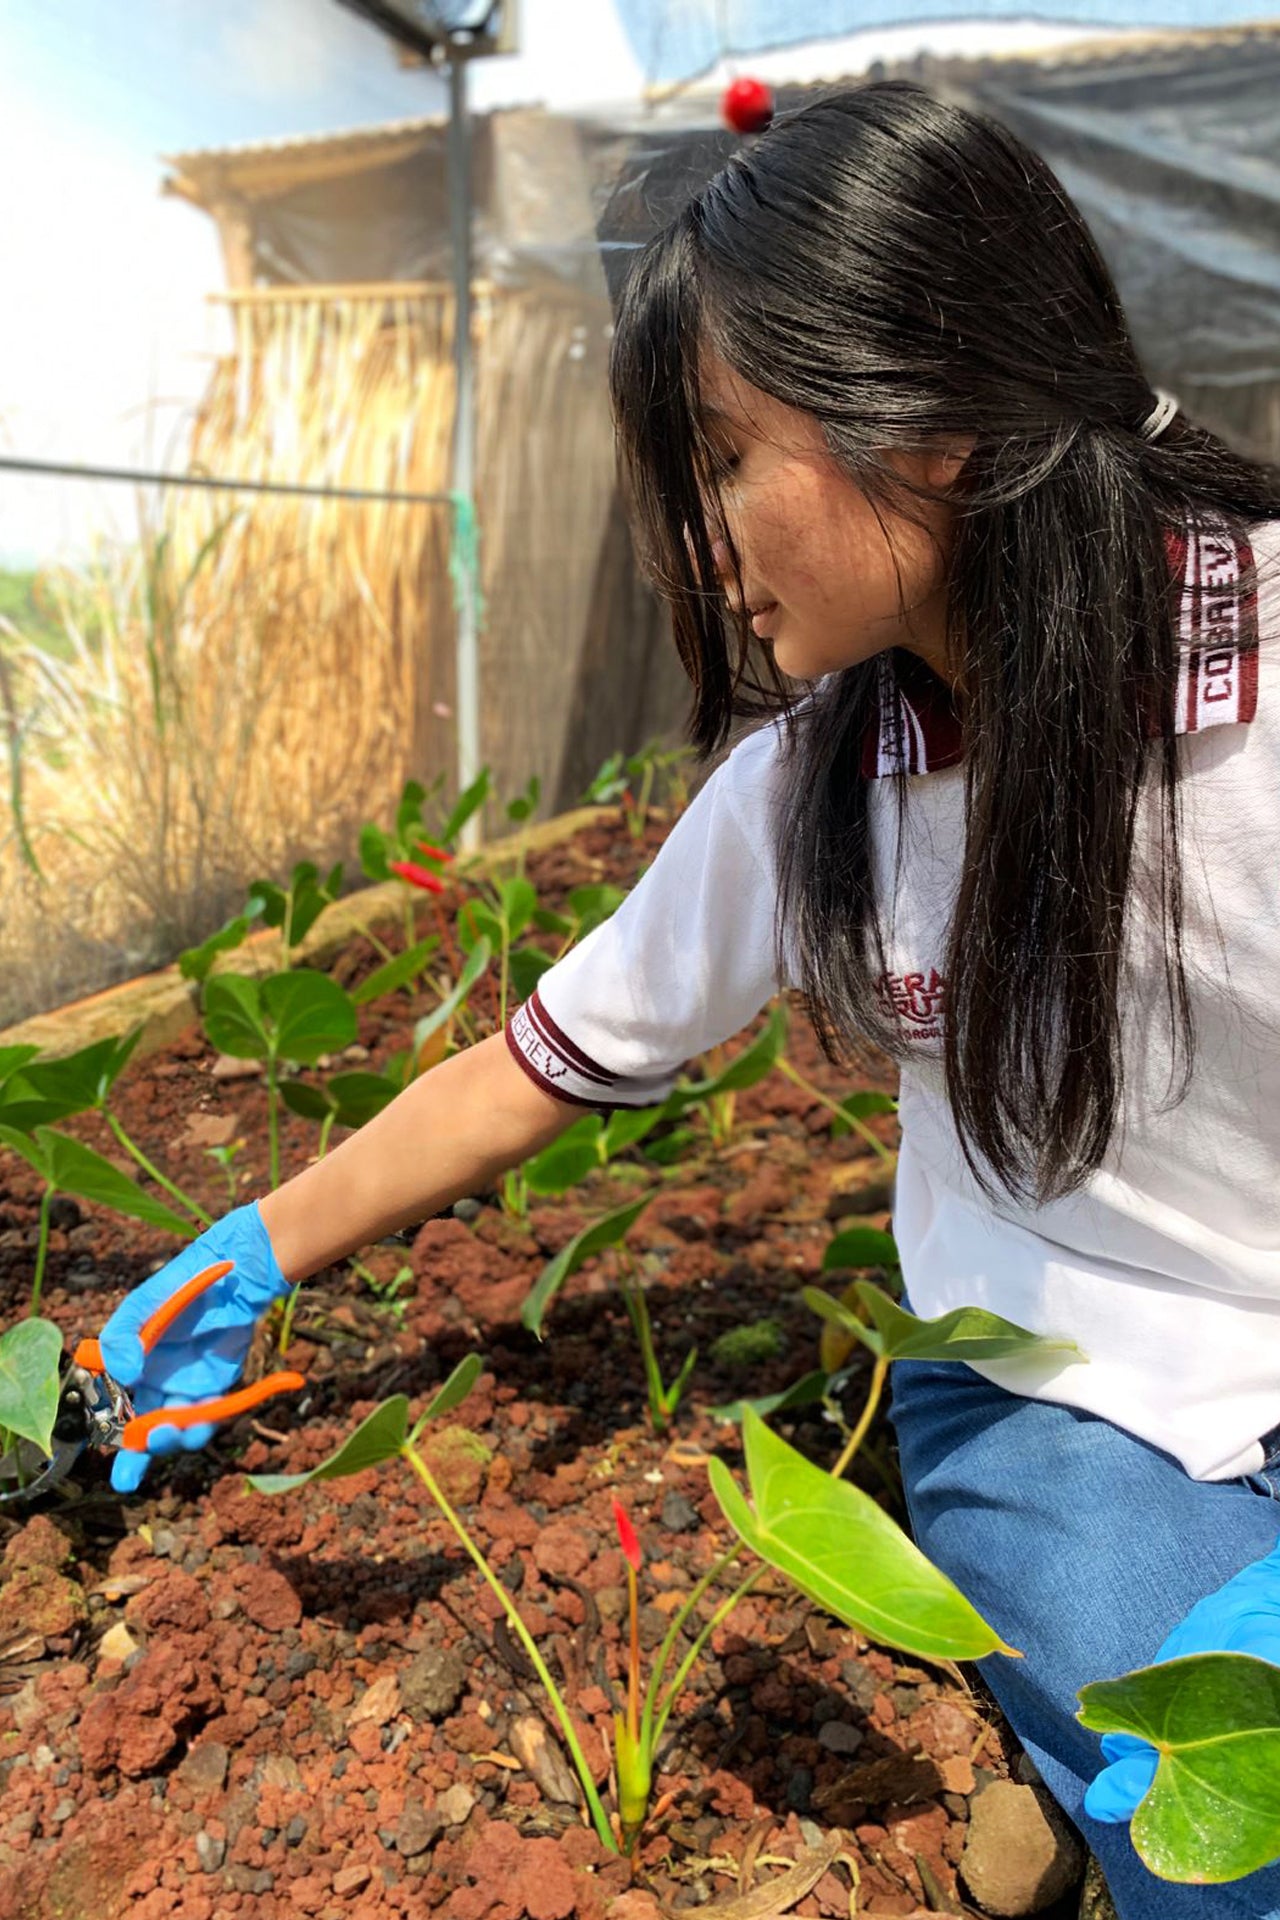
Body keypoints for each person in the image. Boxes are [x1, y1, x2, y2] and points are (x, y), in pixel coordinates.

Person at [96, 83, 1280, 1918]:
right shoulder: (818, 786)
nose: (699, 545)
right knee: (1232, 1830)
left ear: (934, 412)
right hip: (1072, 1393)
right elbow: (536, 1067)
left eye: (724, 461)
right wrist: (250, 1253)